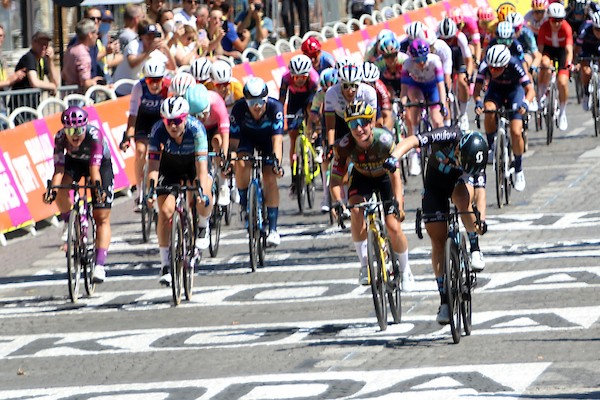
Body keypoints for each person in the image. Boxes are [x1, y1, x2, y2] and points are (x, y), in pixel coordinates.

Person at [388, 126, 488, 324]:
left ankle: (475, 248)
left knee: (462, 199)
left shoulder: (477, 159)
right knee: (438, 240)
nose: (459, 163)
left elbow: (481, 193)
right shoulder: (449, 136)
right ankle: (444, 300)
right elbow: (413, 140)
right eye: (460, 160)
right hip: (435, 186)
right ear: (458, 148)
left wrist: (481, 222)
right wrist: (395, 156)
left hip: (459, 184)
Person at [331, 101, 413, 290]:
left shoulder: (384, 140)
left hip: (385, 177)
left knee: (393, 226)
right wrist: (338, 203)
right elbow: (335, 181)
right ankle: (364, 265)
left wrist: (398, 204)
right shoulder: (344, 146)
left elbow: (396, 177)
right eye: (353, 124)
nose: (359, 129)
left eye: (363, 122)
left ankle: (405, 269)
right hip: (361, 178)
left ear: (371, 122)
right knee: (356, 212)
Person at [43, 106, 114, 284]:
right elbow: (59, 169)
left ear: (85, 127)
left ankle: (99, 265)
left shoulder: (94, 136)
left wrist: (98, 190)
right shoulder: (60, 138)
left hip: (98, 165)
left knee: (101, 216)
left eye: (79, 130)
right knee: (59, 188)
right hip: (74, 162)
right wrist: (52, 190)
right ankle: (71, 221)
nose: (75, 135)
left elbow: (94, 170)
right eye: (70, 131)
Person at [147, 96, 212, 285]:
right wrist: (150, 191)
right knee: (165, 212)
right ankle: (166, 264)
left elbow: (202, 167)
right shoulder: (158, 130)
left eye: (177, 121)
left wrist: (201, 191)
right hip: (170, 166)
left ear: (185, 118)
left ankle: (202, 226)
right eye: (169, 121)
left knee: (204, 195)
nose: (173, 126)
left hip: (193, 164)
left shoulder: (196, 129)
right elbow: (152, 165)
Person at [228, 77, 284, 246]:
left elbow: (277, 142)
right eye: (252, 103)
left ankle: (273, 229)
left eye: (260, 101)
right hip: (247, 139)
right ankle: (245, 204)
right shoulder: (238, 109)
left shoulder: (275, 108)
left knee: (269, 176)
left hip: (268, 140)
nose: (257, 106)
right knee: (242, 164)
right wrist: (230, 162)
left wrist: (277, 164)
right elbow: (233, 145)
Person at [473, 44, 534, 192]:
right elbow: (476, 91)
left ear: (506, 65)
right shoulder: (484, 65)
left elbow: (530, 89)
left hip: (514, 92)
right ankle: (492, 146)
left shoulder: (515, 64)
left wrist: (525, 104)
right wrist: (478, 102)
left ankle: (518, 168)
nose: (493, 71)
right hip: (495, 92)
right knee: (488, 110)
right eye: (491, 68)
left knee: (515, 131)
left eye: (497, 68)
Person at [120, 60, 171, 211]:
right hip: (144, 119)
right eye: (150, 80)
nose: (154, 85)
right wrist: (129, 134)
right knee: (141, 151)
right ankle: (140, 191)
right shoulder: (139, 87)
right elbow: (133, 114)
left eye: (158, 80)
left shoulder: (169, 86)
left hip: (163, 119)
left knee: (162, 151)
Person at [399, 39, 447, 176]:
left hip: (433, 88)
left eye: (423, 59)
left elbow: (441, 86)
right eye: (417, 60)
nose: (420, 63)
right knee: (415, 105)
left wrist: (442, 104)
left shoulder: (435, 61)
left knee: (437, 120)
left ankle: (441, 151)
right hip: (416, 87)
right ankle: (413, 153)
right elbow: (404, 90)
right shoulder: (407, 64)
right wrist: (402, 105)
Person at [279, 54, 319, 196]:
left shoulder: (314, 79)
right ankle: (295, 179)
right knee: (293, 137)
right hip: (294, 100)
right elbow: (281, 100)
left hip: (309, 98)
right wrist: (279, 116)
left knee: (310, 112)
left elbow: (315, 104)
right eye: (296, 77)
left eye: (303, 77)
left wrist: (312, 123)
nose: (300, 80)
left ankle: (314, 142)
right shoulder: (285, 78)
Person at [112, 23, 176, 96]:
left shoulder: (154, 51)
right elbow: (132, 63)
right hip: (123, 90)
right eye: (149, 36)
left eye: (153, 36)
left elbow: (172, 67)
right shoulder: (134, 45)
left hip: (139, 91)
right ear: (142, 37)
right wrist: (148, 51)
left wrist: (166, 49)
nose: (151, 39)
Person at [537, 2, 573, 131]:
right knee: (545, 64)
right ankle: (541, 94)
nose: (557, 24)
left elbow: (569, 50)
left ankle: (562, 112)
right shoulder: (544, 27)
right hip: (548, 50)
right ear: (549, 19)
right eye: (553, 20)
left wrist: (569, 63)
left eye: (559, 20)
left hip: (562, 52)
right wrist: (538, 64)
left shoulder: (566, 28)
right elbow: (540, 51)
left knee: (562, 82)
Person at [437, 17, 474, 131]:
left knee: (462, 81)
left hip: (458, 59)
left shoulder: (460, 37)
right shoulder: (437, 38)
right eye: (445, 39)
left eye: (450, 39)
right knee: (443, 86)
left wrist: (468, 75)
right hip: (443, 59)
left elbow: (468, 60)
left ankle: (462, 114)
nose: (448, 42)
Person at [10, 30, 59, 110]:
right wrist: (52, 86)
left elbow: (56, 82)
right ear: (33, 43)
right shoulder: (29, 57)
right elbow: (34, 82)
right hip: (21, 105)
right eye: (41, 44)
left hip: (34, 104)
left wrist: (50, 60)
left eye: (46, 44)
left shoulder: (43, 59)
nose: (44, 47)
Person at [62, 19, 106, 93]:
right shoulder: (83, 55)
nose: (97, 36)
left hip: (68, 95)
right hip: (80, 99)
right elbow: (85, 82)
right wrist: (101, 86)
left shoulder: (70, 50)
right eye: (95, 33)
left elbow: (64, 74)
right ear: (90, 34)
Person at [576, 11, 600, 111]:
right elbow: (577, 47)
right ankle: (586, 93)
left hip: (598, 48)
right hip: (586, 48)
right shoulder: (584, 30)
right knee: (586, 71)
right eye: (597, 29)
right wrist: (576, 61)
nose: (599, 32)